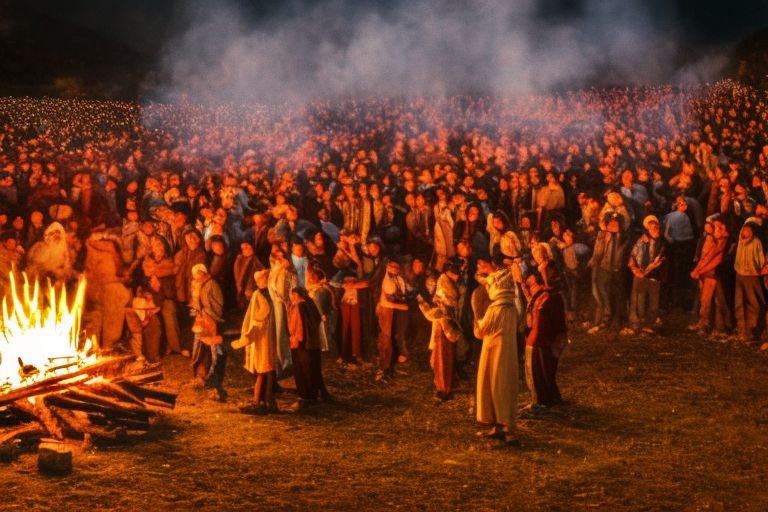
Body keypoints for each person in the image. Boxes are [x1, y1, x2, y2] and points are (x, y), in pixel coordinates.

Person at [473, 267, 520, 446]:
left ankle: (505, 430)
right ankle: (503, 427)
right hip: (507, 355)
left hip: (494, 354)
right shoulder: (512, 308)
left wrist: (476, 316)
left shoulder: (495, 309)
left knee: (495, 386)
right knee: (504, 388)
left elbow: (480, 331)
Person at [232, 270, 278, 414]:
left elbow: (259, 316)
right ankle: (268, 401)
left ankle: (259, 401)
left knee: (262, 369)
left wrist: (248, 336)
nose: (257, 282)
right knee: (268, 370)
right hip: (269, 335)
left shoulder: (260, 295)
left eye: (259, 279)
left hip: (262, 337)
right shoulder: (272, 294)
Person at [524, 271, 567, 410]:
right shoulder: (540, 296)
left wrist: (557, 344)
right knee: (538, 374)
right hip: (535, 340)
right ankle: (544, 401)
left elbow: (559, 325)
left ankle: (545, 402)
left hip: (544, 342)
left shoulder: (553, 298)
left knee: (545, 373)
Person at [418, 273, 461, 401]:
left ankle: (443, 390)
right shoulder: (446, 309)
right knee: (444, 362)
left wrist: (421, 302)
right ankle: (444, 387)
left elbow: (429, 315)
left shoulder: (442, 311)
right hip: (443, 339)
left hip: (441, 339)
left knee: (441, 363)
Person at [287, 287, 330, 411]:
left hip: (301, 343)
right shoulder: (310, 303)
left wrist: (296, 339)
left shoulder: (299, 307)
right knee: (312, 369)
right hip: (313, 343)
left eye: (292, 295)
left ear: (297, 295)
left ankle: (305, 398)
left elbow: (298, 325)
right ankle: (314, 396)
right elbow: (317, 319)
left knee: (302, 370)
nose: (291, 298)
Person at [623, 215, 666, 336]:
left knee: (653, 301)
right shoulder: (640, 242)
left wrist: (646, 272)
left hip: (653, 276)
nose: (654, 230)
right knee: (638, 300)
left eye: (656, 227)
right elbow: (632, 256)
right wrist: (635, 270)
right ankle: (637, 324)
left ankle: (650, 325)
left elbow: (658, 261)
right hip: (639, 274)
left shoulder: (661, 244)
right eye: (651, 227)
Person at [190, 263, 227, 402]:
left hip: (211, 321)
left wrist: (208, 313)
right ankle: (200, 376)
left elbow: (218, 304)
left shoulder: (212, 284)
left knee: (215, 352)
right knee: (199, 349)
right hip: (202, 320)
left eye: (196, 274)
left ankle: (214, 381)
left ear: (203, 273)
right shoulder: (198, 284)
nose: (195, 277)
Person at [375, 261, 409, 381]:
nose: (394, 268)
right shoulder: (385, 280)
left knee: (395, 337)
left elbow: (403, 295)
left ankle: (390, 367)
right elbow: (386, 299)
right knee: (386, 338)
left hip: (397, 312)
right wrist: (402, 306)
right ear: (387, 267)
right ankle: (383, 368)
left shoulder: (399, 279)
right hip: (387, 311)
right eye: (391, 266)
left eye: (396, 266)